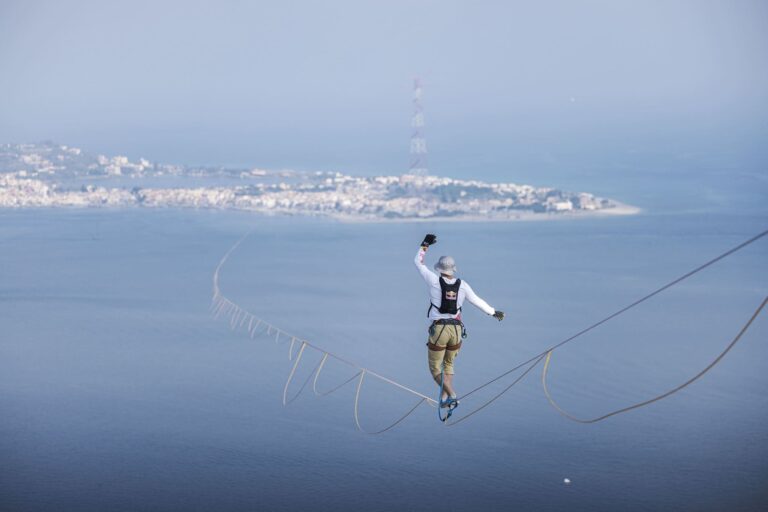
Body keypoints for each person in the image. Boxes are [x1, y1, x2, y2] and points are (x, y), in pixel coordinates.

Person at [414, 233, 504, 410]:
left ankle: (452, 394)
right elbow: (477, 301)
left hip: (439, 329)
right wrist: (493, 312)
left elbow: (418, 262)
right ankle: (445, 399)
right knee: (448, 364)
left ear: (439, 269)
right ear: (453, 269)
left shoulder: (433, 280)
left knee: (435, 370)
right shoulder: (462, 285)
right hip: (456, 331)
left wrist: (425, 245)